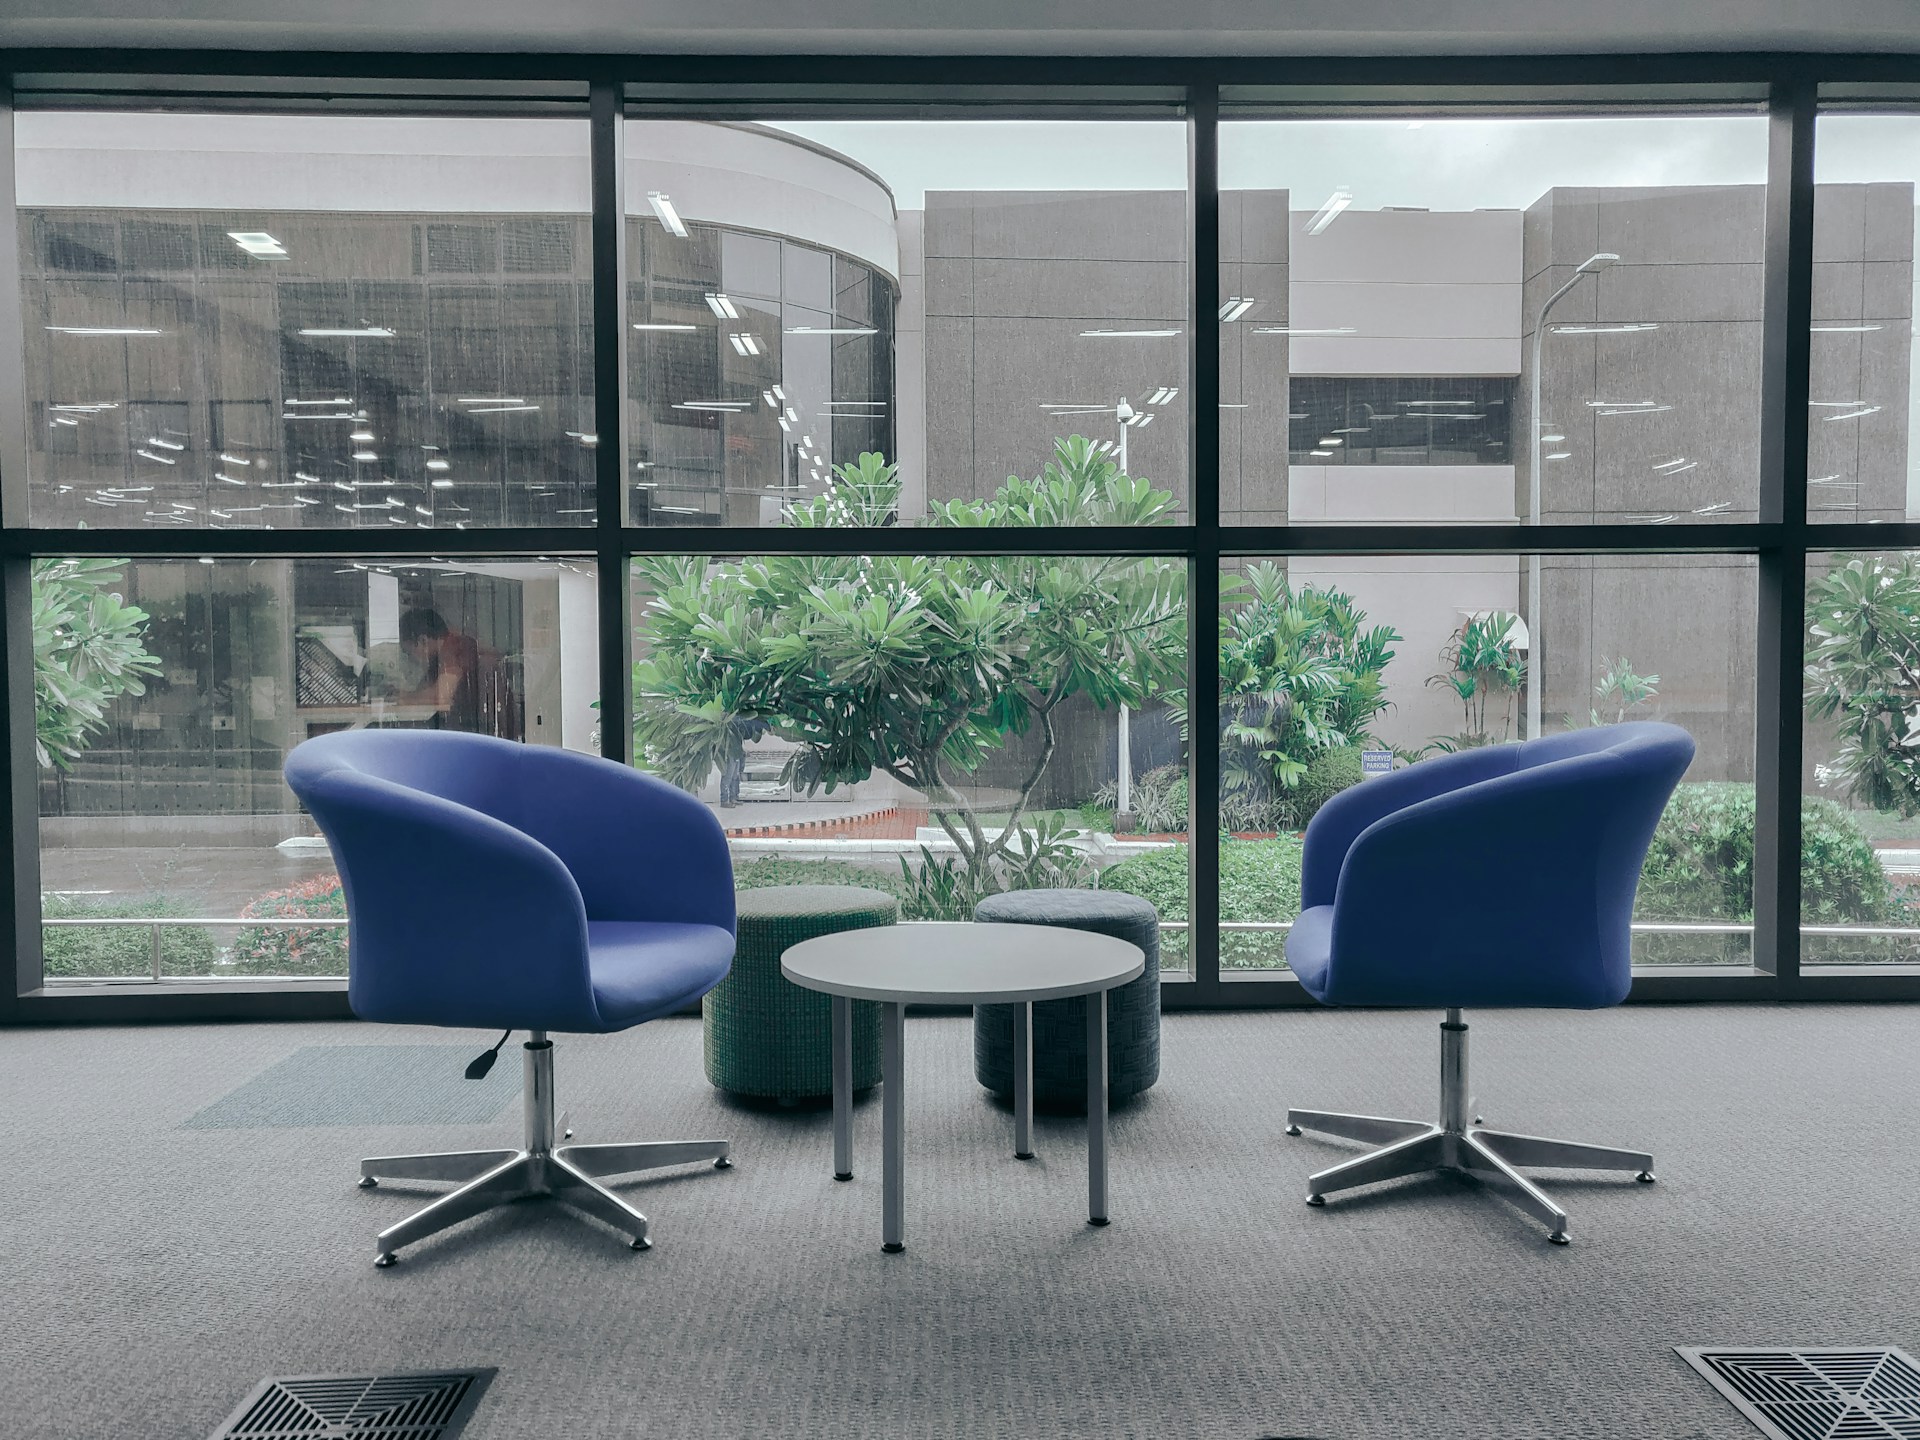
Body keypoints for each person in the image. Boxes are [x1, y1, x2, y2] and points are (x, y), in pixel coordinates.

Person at [397, 607, 488, 734]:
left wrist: (405, 697)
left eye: (409, 652)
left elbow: (441, 697)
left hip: (478, 728)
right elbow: (425, 690)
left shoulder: (454, 648)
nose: (411, 658)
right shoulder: (437, 658)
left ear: (423, 640)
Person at [717, 714, 769, 807]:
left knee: (735, 776)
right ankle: (724, 800)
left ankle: (733, 798)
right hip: (730, 752)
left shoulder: (738, 723)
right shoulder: (733, 721)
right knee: (728, 776)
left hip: (737, 751)